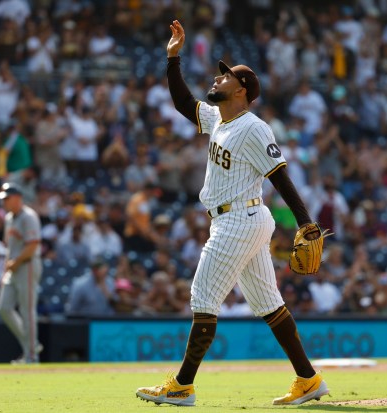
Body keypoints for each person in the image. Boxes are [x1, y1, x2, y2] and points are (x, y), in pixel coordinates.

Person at [136, 20, 329, 407]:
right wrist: (173, 58)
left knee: (203, 296)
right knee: (268, 304)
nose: (217, 77)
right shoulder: (218, 119)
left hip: (239, 220)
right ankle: (308, 380)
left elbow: (281, 176)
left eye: (224, 76)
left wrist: (307, 222)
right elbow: (181, 102)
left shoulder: (254, 128)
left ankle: (182, 385)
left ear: (241, 89)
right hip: (240, 220)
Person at [0, 183, 43, 364]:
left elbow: (33, 245)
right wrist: (7, 267)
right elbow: (9, 246)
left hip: (28, 265)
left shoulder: (29, 216)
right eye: (4, 199)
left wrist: (16, 262)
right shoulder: (9, 218)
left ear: (18, 198)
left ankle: (31, 355)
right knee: (4, 307)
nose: (5, 202)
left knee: (27, 310)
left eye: (7, 198)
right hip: (13, 267)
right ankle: (31, 343)